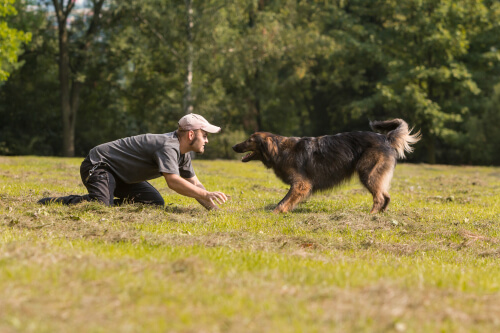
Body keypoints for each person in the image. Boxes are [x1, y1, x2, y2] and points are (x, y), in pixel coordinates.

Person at [38, 113, 228, 210]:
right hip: (98, 165)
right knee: (100, 205)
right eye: (205, 135)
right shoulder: (168, 146)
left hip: (121, 176)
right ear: (191, 134)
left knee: (153, 203)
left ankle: (109, 199)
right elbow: (174, 182)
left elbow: (194, 183)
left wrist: (214, 209)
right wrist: (206, 194)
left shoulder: (183, 152)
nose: (207, 140)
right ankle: (53, 202)